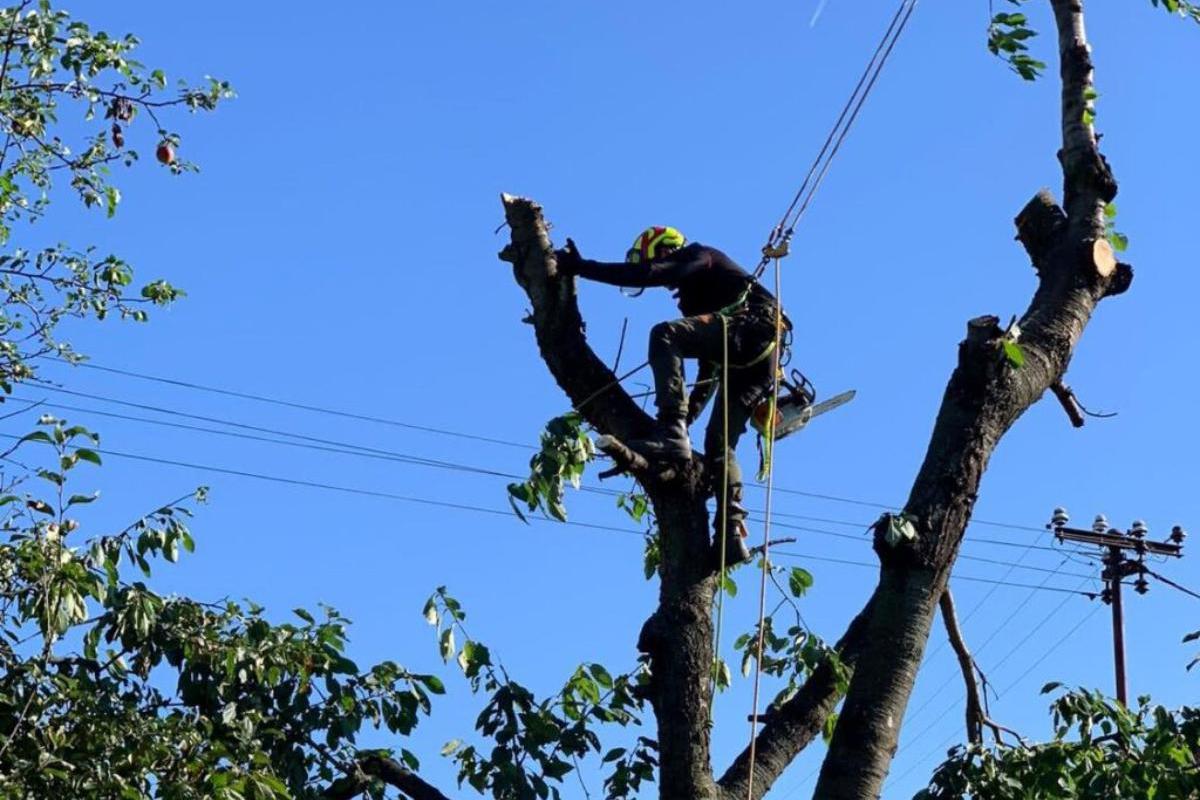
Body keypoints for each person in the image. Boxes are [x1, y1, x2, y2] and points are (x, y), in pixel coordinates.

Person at [556, 226, 789, 564]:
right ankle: (730, 534)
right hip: (759, 360)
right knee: (719, 445)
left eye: (649, 259)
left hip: (753, 330)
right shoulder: (696, 298)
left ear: (663, 250)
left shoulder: (700, 255)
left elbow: (651, 274)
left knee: (664, 335)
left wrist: (581, 267)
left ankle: (671, 430)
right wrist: (686, 420)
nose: (652, 269)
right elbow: (708, 371)